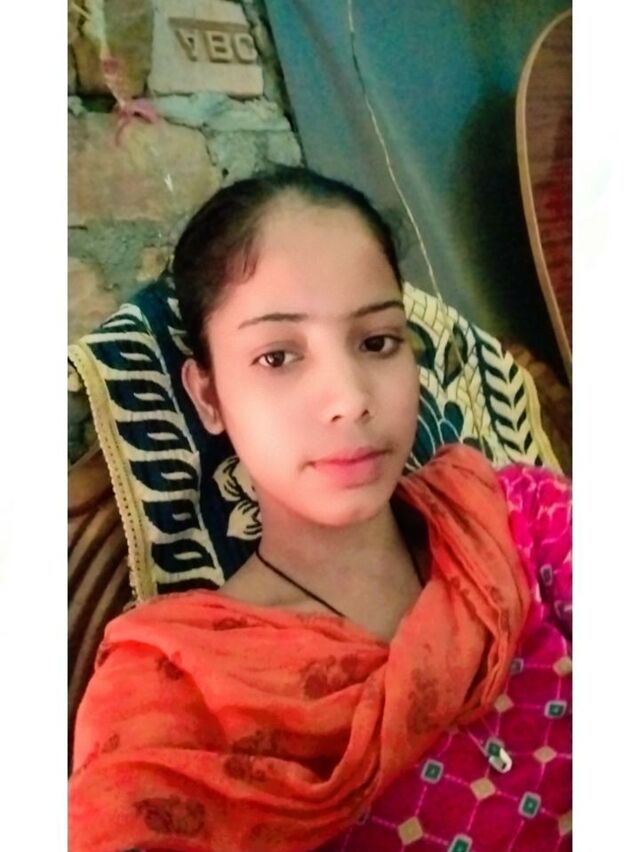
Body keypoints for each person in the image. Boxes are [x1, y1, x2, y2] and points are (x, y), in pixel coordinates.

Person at [69, 167, 572, 851]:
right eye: (278, 357)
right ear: (209, 396)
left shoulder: (511, 518)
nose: (350, 399)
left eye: (377, 342)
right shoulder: (179, 690)